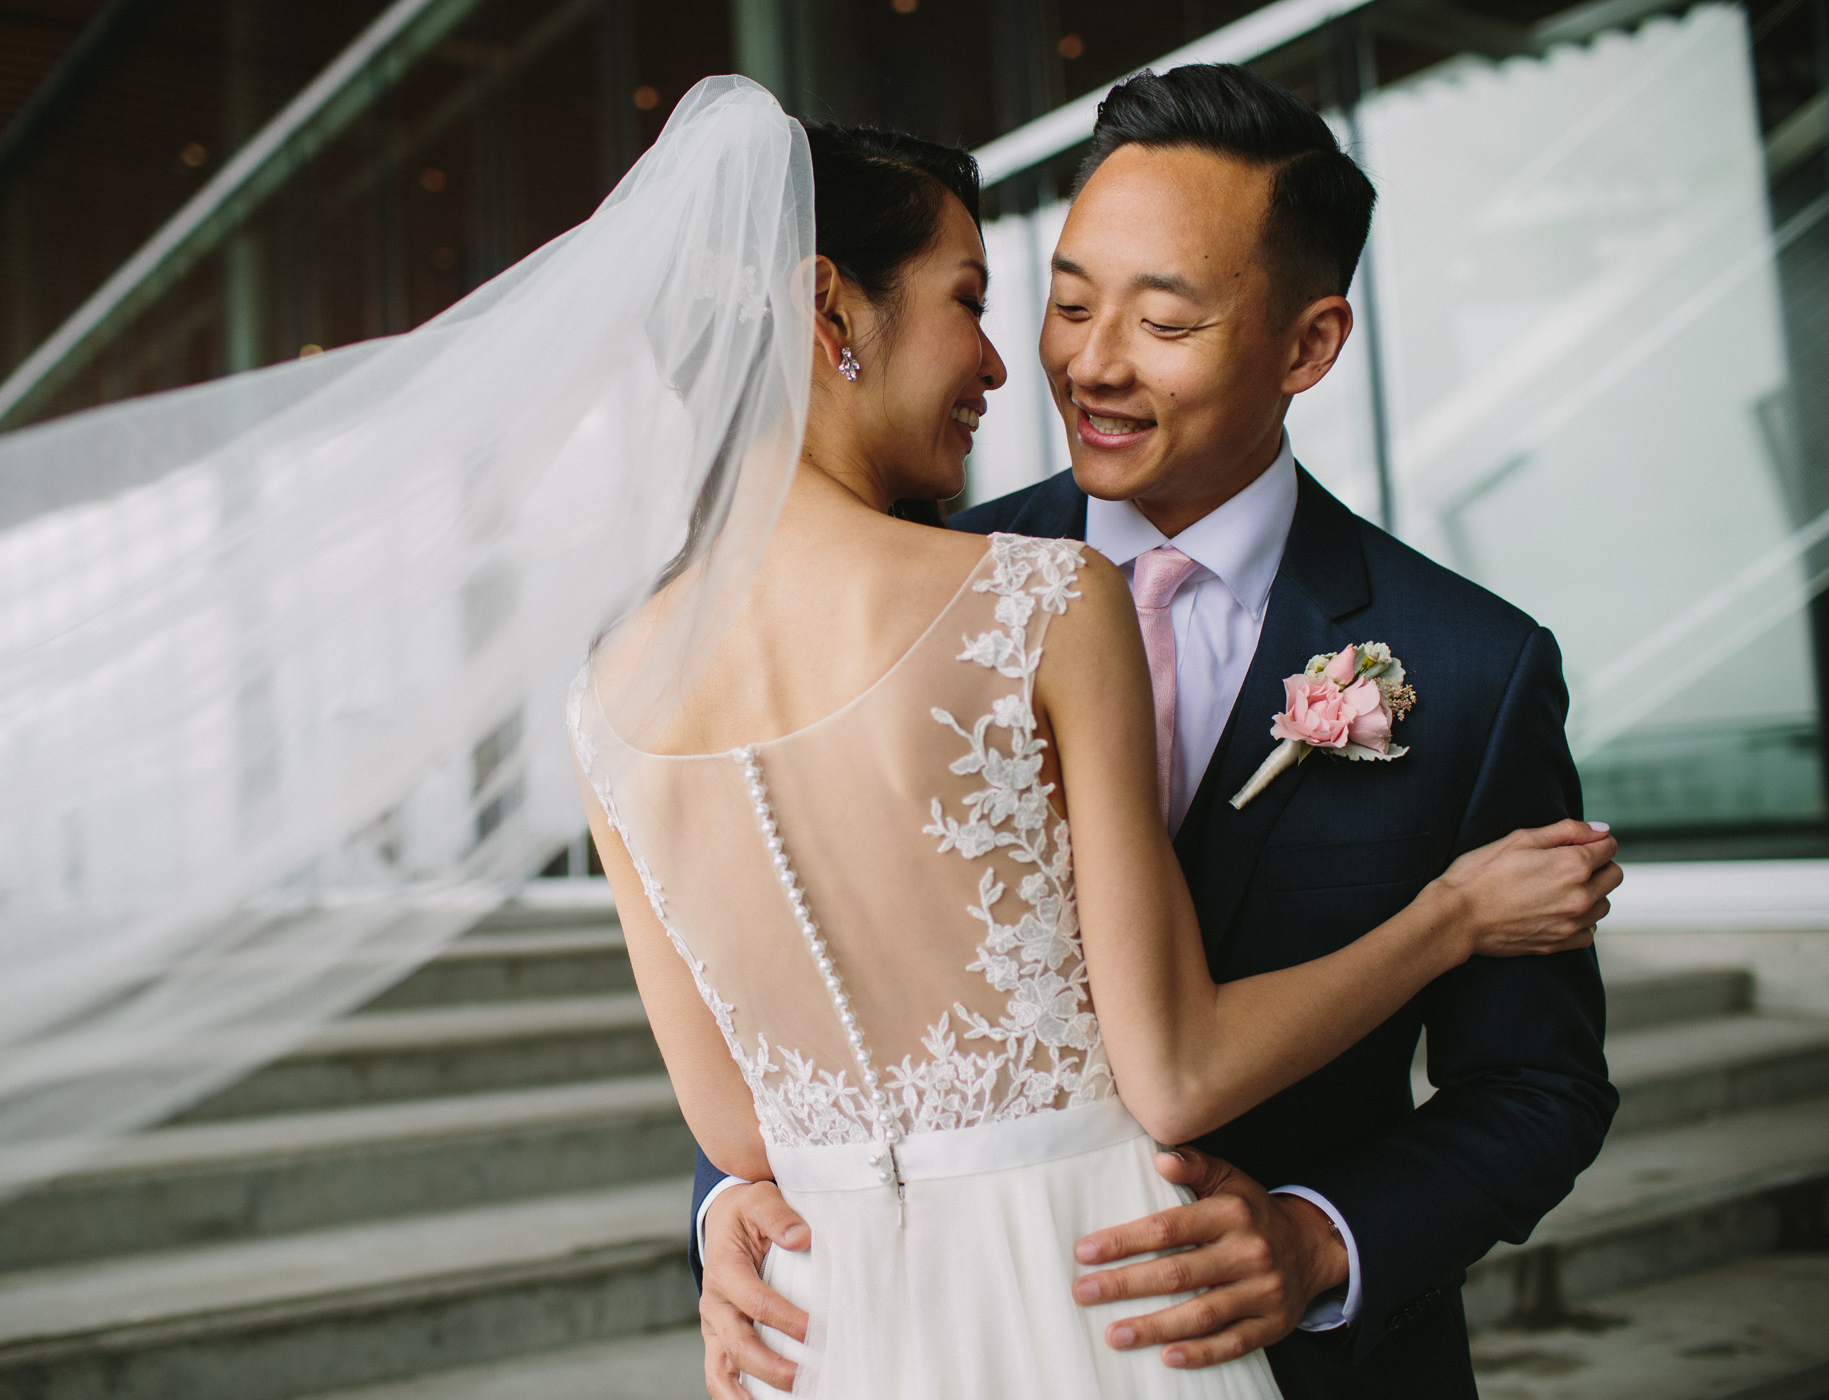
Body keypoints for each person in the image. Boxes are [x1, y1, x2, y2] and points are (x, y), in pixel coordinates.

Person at [579, 99, 1619, 1400]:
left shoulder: (1471, 664)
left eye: (1165, 320)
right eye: (1064, 302)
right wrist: (735, 1204)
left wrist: (1320, 1242)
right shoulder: (990, 576)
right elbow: (776, 1077)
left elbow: (1537, 1084)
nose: (1083, 364)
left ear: (1309, 344)